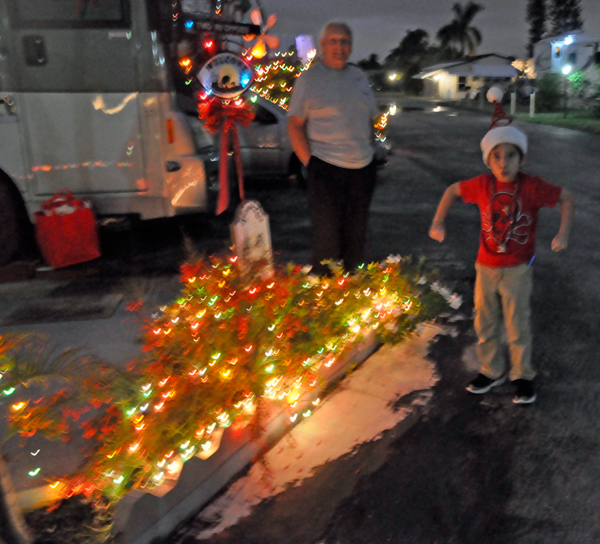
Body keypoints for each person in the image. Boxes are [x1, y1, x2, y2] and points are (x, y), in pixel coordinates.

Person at [429, 116, 575, 404]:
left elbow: (566, 197)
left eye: (510, 156)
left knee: (517, 323)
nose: (503, 162)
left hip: (517, 269)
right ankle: (491, 370)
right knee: (486, 322)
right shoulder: (483, 185)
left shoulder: (531, 187)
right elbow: (452, 190)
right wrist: (438, 222)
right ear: (487, 160)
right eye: (496, 156)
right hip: (485, 267)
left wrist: (564, 233)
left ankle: (523, 376)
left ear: (522, 159)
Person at [287, 22, 379, 276]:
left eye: (344, 41)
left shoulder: (358, 76)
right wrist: (312, 164)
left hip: (362, 170)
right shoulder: (309, 80)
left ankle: (350, 296)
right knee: (327, 241)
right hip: (326, 168)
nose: (340, 46)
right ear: (323, 45)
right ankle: (326, 300)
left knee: (356, 238)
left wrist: (372, 151)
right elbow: (294, 125)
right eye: (334, 41)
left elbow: (370, 117)